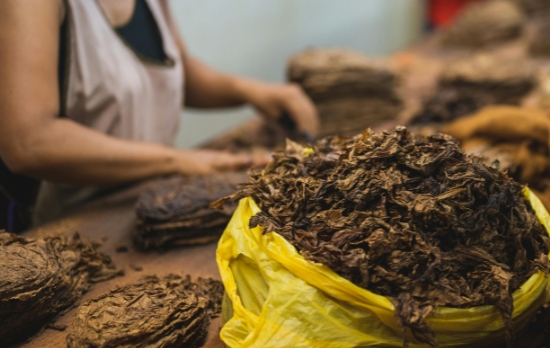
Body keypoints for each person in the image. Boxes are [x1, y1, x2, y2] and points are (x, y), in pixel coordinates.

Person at [0, 0, 319, 231]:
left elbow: (170, 72)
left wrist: (247, 90)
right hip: (64, 222)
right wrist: (177, 160)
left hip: (144, 202)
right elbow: (29, 142)